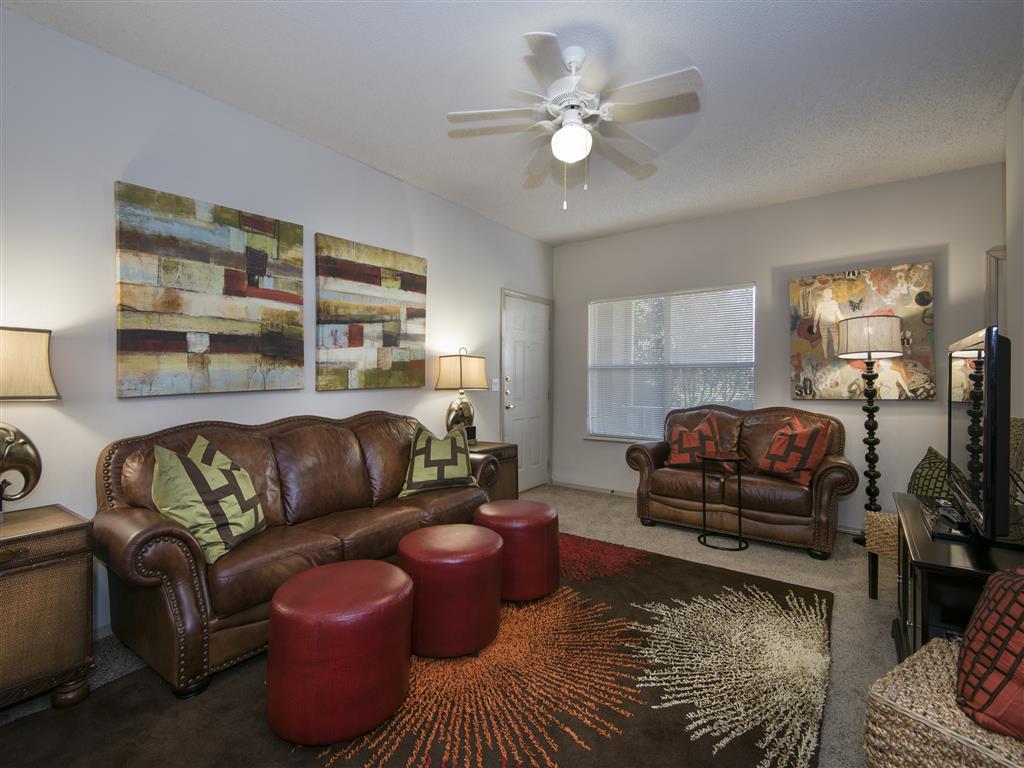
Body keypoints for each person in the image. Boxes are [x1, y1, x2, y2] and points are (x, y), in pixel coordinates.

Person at [812, 288, 843, 357]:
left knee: (835, 337)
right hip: (823, 323)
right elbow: (816, 316)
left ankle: (836, 352)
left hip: (832, 322)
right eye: (828, 293)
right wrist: (814, 326)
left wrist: (843, 321)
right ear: (824, 294)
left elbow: (838, 313)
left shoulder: (834, 303)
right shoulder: (820, 304)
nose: (830, 294)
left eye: (830, 293)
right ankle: (825, 353)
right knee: (825, 338)